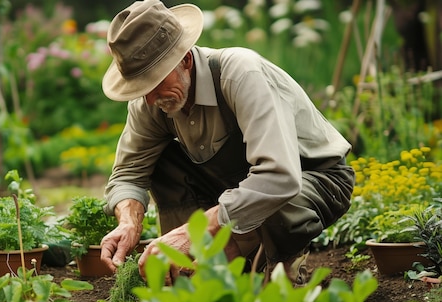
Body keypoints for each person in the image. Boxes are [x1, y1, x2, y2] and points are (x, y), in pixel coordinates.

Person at [99, 0, 355, 285]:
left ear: (184, 59)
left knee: (269, 198)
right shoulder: (151, 102)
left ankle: (279, 265)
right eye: (140, 87)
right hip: (236, 186)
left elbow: (279, 177)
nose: (149, 98)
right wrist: (129, 221)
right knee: (162, 162)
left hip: (315, 180)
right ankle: (188, 271)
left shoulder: (240, 74)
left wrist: (190, 233)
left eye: (155, 81)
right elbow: (128, 173)